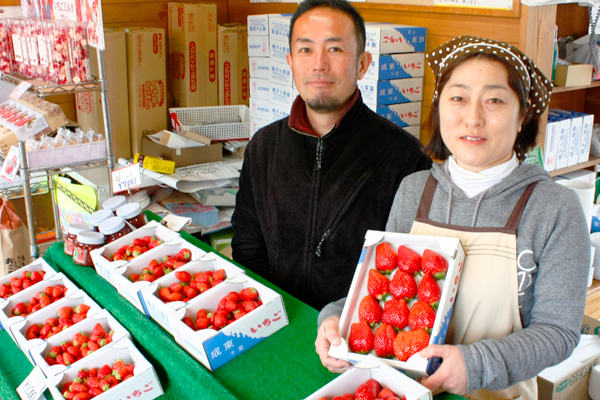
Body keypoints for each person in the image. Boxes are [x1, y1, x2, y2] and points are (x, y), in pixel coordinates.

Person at [316, 35, 590, 399]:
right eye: (458, 98)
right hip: (402, 390)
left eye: (494, 100)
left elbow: (559, 332)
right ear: (439, 108)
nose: (473, 118)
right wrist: (336, 319)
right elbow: (382, 287)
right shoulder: (415, 189)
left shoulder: (555, 208)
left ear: (522, 115)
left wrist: (475, 363)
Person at [231, 0, 431, 311]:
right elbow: (247, 246)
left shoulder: (406, 158)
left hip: (353, 335)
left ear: (363, 64)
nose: (319, 64)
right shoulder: (263, 146)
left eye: (335, 49)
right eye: (306, 49)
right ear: (291, 61)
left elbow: (405, 276)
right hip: (276, 322)